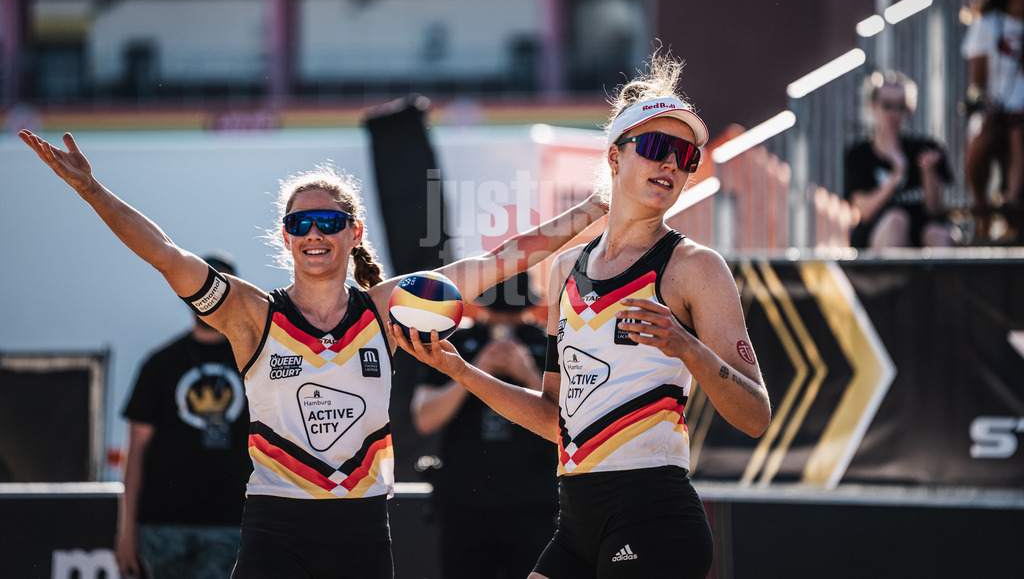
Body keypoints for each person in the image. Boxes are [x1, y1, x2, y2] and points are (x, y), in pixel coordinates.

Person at [18, 129, 606, 579]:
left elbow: (504, 258)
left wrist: (593, 211)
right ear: (286, 236)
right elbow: (165, 254)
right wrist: (92, 192)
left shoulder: (388, 307)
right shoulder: (254, 314)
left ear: (353, 232)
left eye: (329, 220)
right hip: (276, 525)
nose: (314, 233)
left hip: (363, 526)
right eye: (301, 222)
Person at [392, 50, 771, 579]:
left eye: (686, 158)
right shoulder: (565, 267)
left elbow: (755, 415)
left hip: (653, 516)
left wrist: (686, 346)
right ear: (615, 158)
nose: (672, 165)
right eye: (659, 147)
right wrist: (462, 372)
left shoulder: (695, 267)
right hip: (576, 523)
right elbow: (555, 417)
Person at [411, 272, 557, 579]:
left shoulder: (547, 346)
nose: (504, 321)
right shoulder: (455, 344)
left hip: (534, 506)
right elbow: (424, 418)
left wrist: (528, 373)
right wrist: (475, 372)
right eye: (498, 311)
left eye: (513, 313)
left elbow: (569, 423)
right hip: (465, 506)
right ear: (483, 307)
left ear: (528, 308)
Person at [115, 252, 252, 579]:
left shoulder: (258, 359)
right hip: (163, 527)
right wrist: (125, 533)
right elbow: (135, 451)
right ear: (185, 292)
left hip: (235, 525)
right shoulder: (160, 363)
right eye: (202, 286)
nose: (210, 297)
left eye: (220, 287)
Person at [844, 71, 955, 249]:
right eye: (887, 105)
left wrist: (928, 173)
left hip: (922, 233)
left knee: (937, 233)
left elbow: (935, 211)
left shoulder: (926, 149)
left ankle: (945, 278)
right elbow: (864, 212)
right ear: (873, 106)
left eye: (901, 106)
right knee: (897, 220)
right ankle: (893, 278)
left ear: (909, 109)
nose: (894, 113)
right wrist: (896, 176)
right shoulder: (859, 154)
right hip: (877, 238)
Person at [961, 0, 1024, 243]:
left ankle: (1012, 208)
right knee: (983, 135)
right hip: (995, 111)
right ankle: (982, 210)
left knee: (1019, 130)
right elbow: (977, 85)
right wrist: (987, 107)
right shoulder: (987, 25)